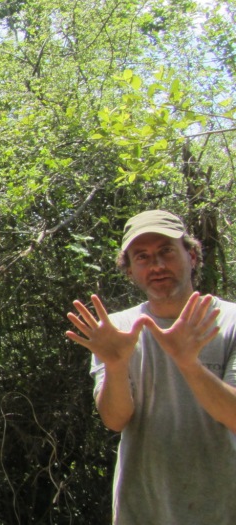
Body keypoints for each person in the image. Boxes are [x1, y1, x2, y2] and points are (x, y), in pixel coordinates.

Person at [65, 209, 236, 524]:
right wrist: (116, 365)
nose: (156, 265)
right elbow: (115, 420)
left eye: (167, 251)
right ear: (129, 270)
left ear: (193, 256)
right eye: (141, 257)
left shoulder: (230, 322)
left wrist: (189, 363)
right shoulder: (116, 330)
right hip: (142, 510)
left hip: (222, 509)